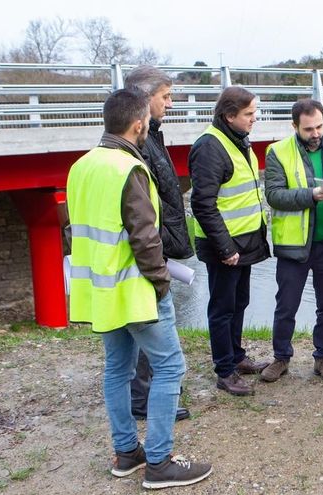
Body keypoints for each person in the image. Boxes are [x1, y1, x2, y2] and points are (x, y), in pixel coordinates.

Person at [67, 88, 212, 489]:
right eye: (148, 122)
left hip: (101, 290)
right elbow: (145, 239)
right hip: (136, 291)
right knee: (170, 367)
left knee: (117, 369)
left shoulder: (81, 166)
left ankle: (127, 452)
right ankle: (161, 462)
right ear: (138, 124)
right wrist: (162, 283)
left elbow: (78, 231)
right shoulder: (128, 168)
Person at [262, 98, 323, 383]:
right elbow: (274, 195)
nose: (315, 134)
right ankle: (281, 358)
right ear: (294, 126)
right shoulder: (277, 151)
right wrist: (310, 196)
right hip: (294, 245)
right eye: (308, 129)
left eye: (319, 126)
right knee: (286, 305)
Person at [189, 86, 271, 397]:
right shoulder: (211, 147)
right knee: (222, 308)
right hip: (226, 248)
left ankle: (237, 357)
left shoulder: (238, 140)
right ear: (229, 116)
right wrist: (225, 247)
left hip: (244, 242)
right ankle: (225, 370)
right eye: (249, 114)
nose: (255, 118)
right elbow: (203, 204)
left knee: (239, 303)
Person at [124, 65, 193, 423]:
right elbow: (144, 209)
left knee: (144, 329)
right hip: (152, 252)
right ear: (143, 98)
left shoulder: (151, 137)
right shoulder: (139, 145)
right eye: (165, 96)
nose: (171, 102)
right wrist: (159, 258)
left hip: (158, 247)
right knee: (152, 328)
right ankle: (145, 400)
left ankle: (141, 395)